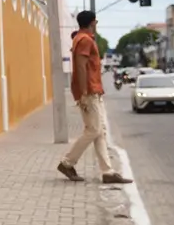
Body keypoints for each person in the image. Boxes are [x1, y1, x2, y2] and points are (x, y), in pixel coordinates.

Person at [56, 11, 132, 184]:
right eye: (95, 22)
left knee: (100, 131)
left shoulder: (81, 39)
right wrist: (83, 93)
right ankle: (67, 163)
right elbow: (81, 67)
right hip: (89, 91)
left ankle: (107, 172)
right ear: (92, 22)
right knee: (94, 130)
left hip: (93, 90)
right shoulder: (85, 40)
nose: (96, 25)